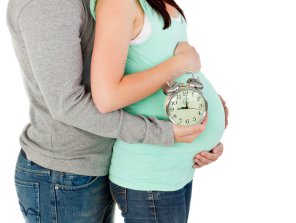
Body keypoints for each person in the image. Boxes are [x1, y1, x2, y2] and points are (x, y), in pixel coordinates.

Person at [6, 0, 228, 222]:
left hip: (103, 158)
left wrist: (197, 115)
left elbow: (136, 66)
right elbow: (69, 105)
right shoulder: (46, 6)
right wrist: (163, 133)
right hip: (63, 174)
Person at [90, 0, 228, 222]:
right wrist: (179, 63)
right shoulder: (117, 3)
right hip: (150, 174)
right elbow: (107, 97)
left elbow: (164, 68)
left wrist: (207, 116)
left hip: (176, 168)